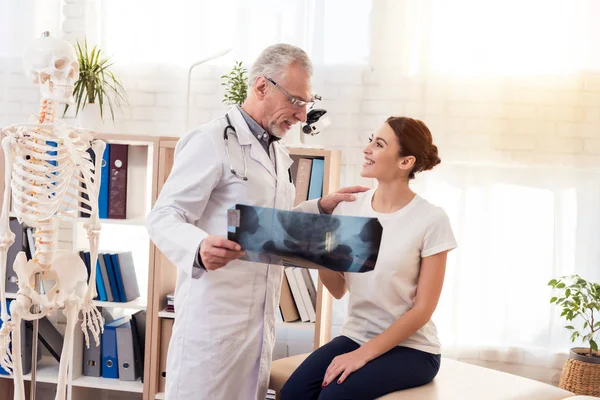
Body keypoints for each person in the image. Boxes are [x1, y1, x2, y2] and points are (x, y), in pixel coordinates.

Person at [145, 43, 367, 400]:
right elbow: (163, 216)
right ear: (262, 87)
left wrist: (320, 209)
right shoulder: (210, 140)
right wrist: (198, 247)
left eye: (306, 103)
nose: (300, 115)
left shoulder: (278, 151)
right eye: (295, 101)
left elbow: (270, 227)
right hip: (214, 319)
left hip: (259, 323)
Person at [280, 116, 458, 400]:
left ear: (405, 162)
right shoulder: (349, 209)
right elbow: (338, 290)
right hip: (356, 335)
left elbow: (423, 310)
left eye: (379, 144)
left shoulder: (430, 219)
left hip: (413, 349)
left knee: (333, 398)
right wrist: (322, 256)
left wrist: (362, 355)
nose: (367, 149)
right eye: (370, 140)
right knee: (292, 395)